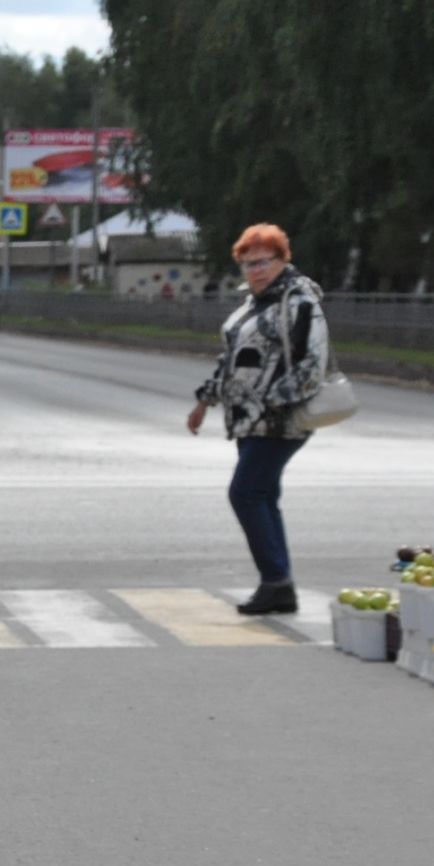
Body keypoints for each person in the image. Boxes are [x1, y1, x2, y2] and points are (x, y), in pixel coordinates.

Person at [187, 223, 329, 616]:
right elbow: (234, 363)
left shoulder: (300, 302)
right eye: (248, 264)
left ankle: (276, 582)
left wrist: (273, 402)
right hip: (249, 422)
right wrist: (205, 401)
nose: (256, 270)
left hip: (281, 421)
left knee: (245, 493)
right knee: (263, 496)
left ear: (284, 260)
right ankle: (279, 585)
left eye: (264, 262)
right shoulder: (252, 305)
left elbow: (312, 364)